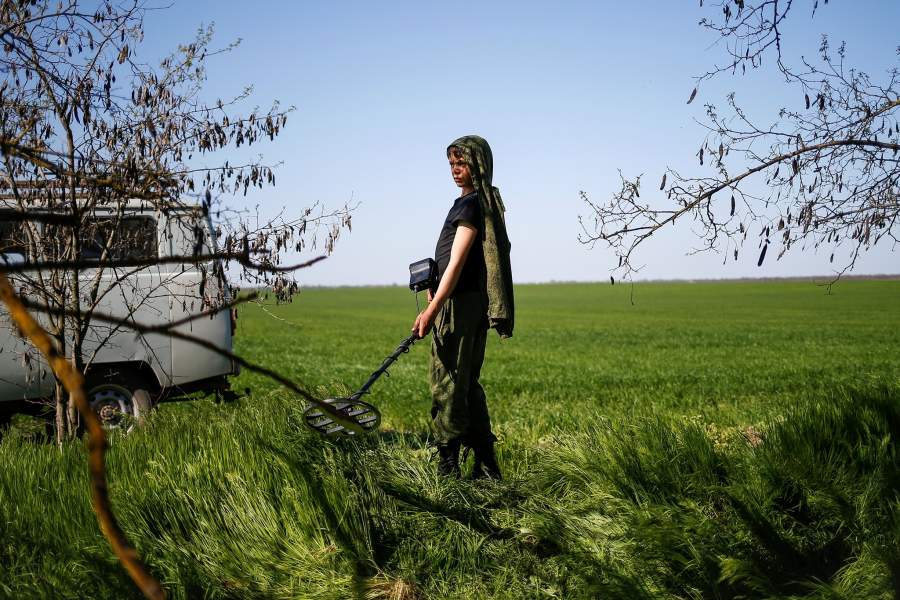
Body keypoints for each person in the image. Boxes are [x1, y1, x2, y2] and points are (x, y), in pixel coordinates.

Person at [412, 135, 514, 479]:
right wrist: (435, 290)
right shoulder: (471, 202)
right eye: (452, 164)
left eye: (462, 163)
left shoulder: (471, 205)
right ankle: (486, 467)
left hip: (460, 306)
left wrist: (432, 309)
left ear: (478, 165)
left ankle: (448, 467)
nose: (456, 170)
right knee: (465, 384)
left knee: (449, 382)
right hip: (461, 301)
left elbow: (457, 262)